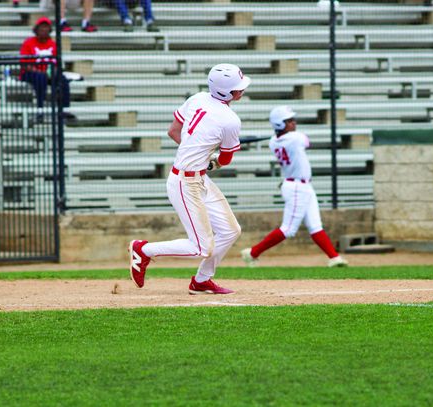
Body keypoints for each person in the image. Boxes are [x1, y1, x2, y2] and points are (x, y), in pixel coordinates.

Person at [128, 63, 251, 294]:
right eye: (237, 88)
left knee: (230, 230)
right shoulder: (230, 120)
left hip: (198, 178)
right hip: (185, 183)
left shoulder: (198, 98)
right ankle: (144, 250)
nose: (241, 90)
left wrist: (202, 153)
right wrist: (213, 158)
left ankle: (202, 280)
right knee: (201, 248)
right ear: (226, 91)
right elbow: (225, 161)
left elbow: (174, 131)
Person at [241, 106, 348, 268]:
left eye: (292, 120)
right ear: (279, 125)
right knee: (289, 229)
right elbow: (307, 142)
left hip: (302, 185)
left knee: (315, 225)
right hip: (297, 187)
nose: (293, 123)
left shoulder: (272, 142)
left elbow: (288, 141)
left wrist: (283, 134)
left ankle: (334, 258)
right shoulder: (296, 138)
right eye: (288, 121)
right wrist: (288, 135)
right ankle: (253, 253)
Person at [19, 17, 76, 123]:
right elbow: (24, 63)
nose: (44, 29)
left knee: (62, 79)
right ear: (36, 29)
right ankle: (40, 110)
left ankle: (65, 110)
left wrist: (52, 72)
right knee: (41, 78)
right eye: (42, 27)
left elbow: (55, 64)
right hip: (30, 73)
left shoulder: (52, 44)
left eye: (46, 27)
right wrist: (40, 72)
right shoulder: (28, 42)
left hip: (47, 73)